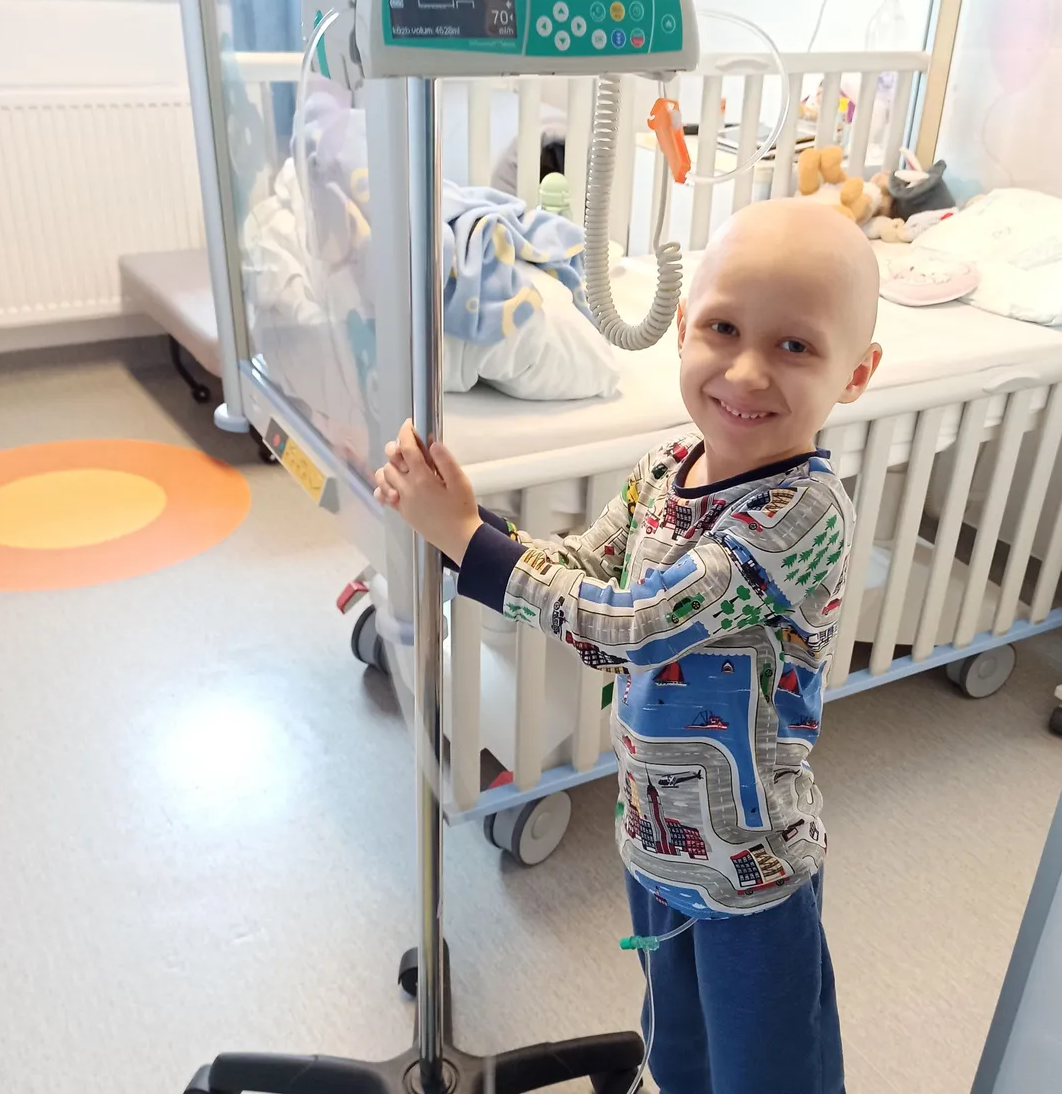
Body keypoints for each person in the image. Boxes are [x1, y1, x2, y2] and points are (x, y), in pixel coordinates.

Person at [375, 199, 883, 1094]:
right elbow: (585, 565)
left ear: (857, 373)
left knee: (766, 1077)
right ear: (682, 326)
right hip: (655, 844)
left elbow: (636, 626)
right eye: (723, 329)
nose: (748, 370)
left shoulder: (799, 515)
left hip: (751, 875)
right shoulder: (664, 468)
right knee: (677, 1054)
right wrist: (474, 526)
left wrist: (467, 542)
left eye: (795, 345)